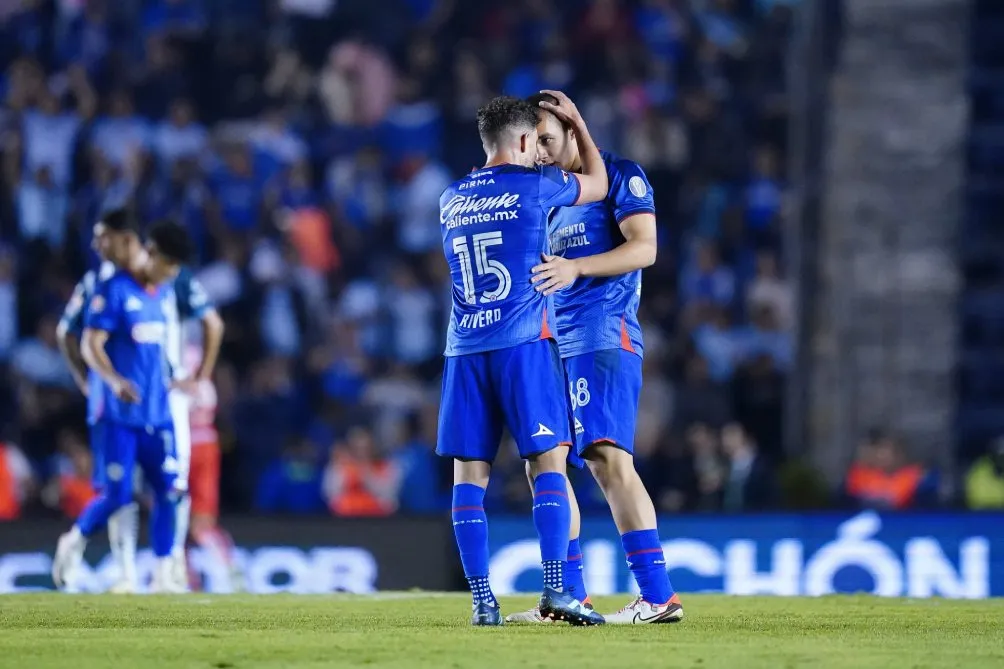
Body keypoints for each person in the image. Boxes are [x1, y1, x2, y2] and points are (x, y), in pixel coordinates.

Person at [506, 92, 683, 624]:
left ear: (571, 129)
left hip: (603, 337)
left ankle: (657, 596)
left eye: (546, 137)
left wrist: (578, 268)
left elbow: (644, 247)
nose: (539, 150)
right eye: (531, 142)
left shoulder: (623, 175)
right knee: (546, 464)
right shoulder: (548, 193)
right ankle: (571, 598)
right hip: (551, 343)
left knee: (607, 459)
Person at [437, 93, 607, 626]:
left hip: (464, 349)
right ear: (526, 140)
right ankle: (556, 590)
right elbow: (599, 186)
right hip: (522, 342)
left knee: (470, 476)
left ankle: (482, 602)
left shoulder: (450, 196)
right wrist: (578, 123)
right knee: (547, 462)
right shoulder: (536, 185)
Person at [51, 220, 193, 593]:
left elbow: (156, 350)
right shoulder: (111, 289)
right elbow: (88, 343)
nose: (170, 274)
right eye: (168, 265)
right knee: (118, 495)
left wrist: (176, 376)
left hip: (157, 413)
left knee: (169, 490)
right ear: (150, 251)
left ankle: (163, 572)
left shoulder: (162, 294)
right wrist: (111, 382)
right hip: (118, 415)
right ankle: (76, 540)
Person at [55, 209, 143, 593]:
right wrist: (84, 378)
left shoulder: (148, 281)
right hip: (111, 403)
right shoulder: (94, 283)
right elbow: (65, 333)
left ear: (124, 237)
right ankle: (83, 544)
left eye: (101, 236)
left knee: (140, 486)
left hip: (147, 401)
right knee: (118, 488)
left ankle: (133, 572)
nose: (95, 245)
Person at [161, 260, 225, 592]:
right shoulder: (201, 360)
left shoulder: (168, 355)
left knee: (175, 518)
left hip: (182, 443)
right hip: (207, 441)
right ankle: (226, 572)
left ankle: (181, 576)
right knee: (200, 523)